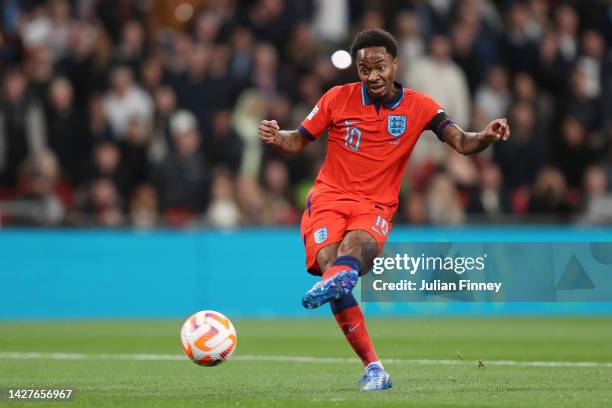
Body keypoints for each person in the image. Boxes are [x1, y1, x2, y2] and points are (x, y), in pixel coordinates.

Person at [258, 29, 510, 391]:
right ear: (357, 70)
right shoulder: (336, 98)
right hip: (328, 197)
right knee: (334, 268)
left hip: (375, 204)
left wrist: (484, 136)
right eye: (364, 69)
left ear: (395, 63)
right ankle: (374, 368)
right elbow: (297, 139)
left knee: (350, 255)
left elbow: (461, 142)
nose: (372, 76)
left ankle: (347, 290)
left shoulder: (420, 106)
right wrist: (276, 135)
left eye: (379, 67)